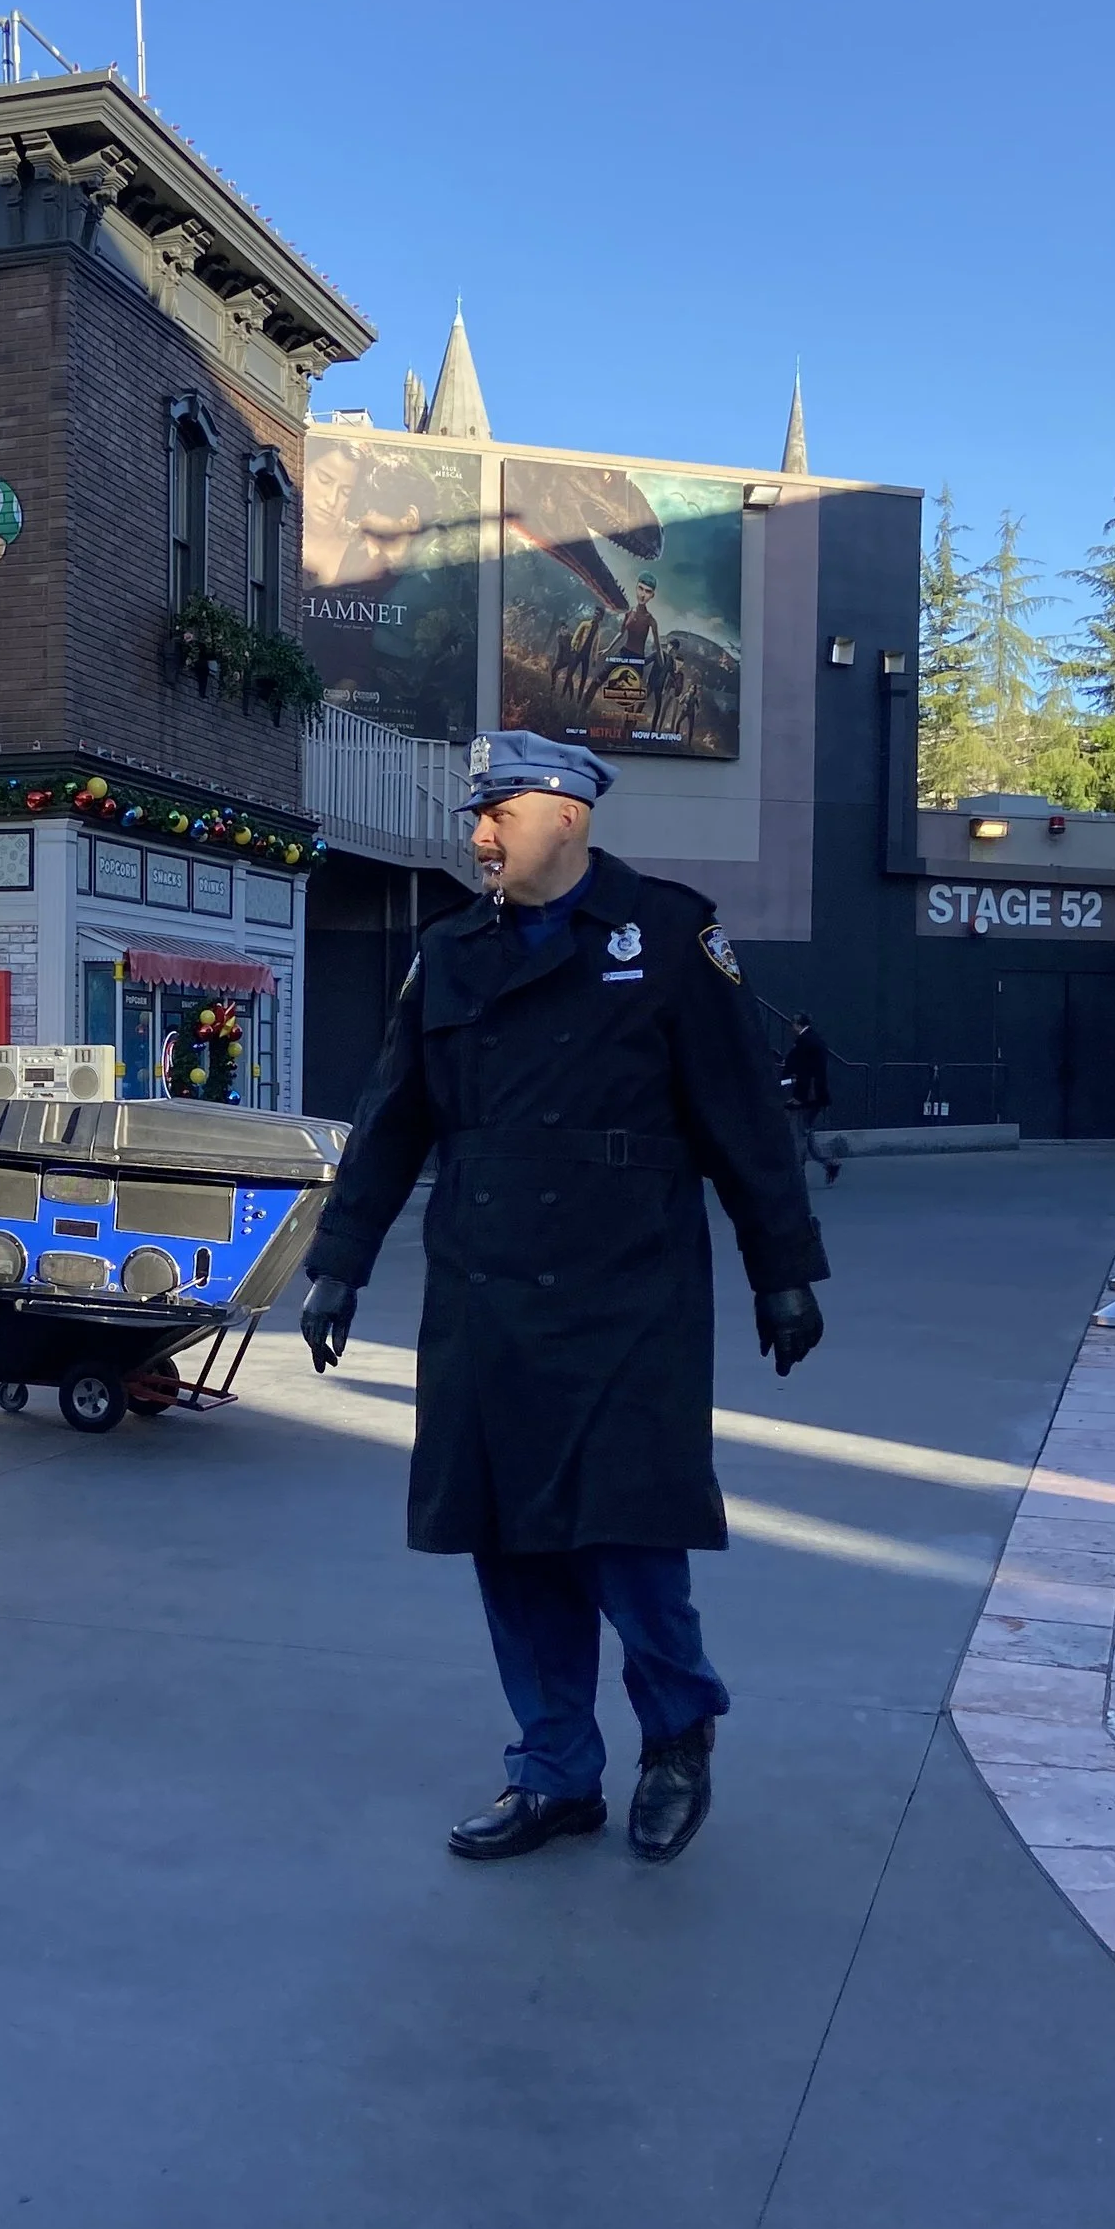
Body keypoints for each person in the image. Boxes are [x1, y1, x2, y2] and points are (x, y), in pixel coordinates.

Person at [299, 729, 827, 1870]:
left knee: (629, 1541)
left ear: (568, 816)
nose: (477, 832)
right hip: (486, 1294)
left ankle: (677, 1737)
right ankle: (555, 1773)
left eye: (499, 810)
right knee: (510, 1545)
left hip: (627, 1296)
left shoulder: (670, 935)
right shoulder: (446, 953)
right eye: (472, 813)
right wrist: (338, 1261)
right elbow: (394, 1119)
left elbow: (742, 1115)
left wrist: (781, 1269)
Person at [779, 1013, 841, 1186]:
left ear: (797, 1025)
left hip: (806, 1097)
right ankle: (830, 1163)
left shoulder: (804, 1042)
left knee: (798, 1135)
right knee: (806, 1132)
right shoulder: (814, 1040)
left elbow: (804, 1071)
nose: (791, 1028)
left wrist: (797, 1097)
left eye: (792, 1024)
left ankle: (798, 1175)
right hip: (816, 1097)